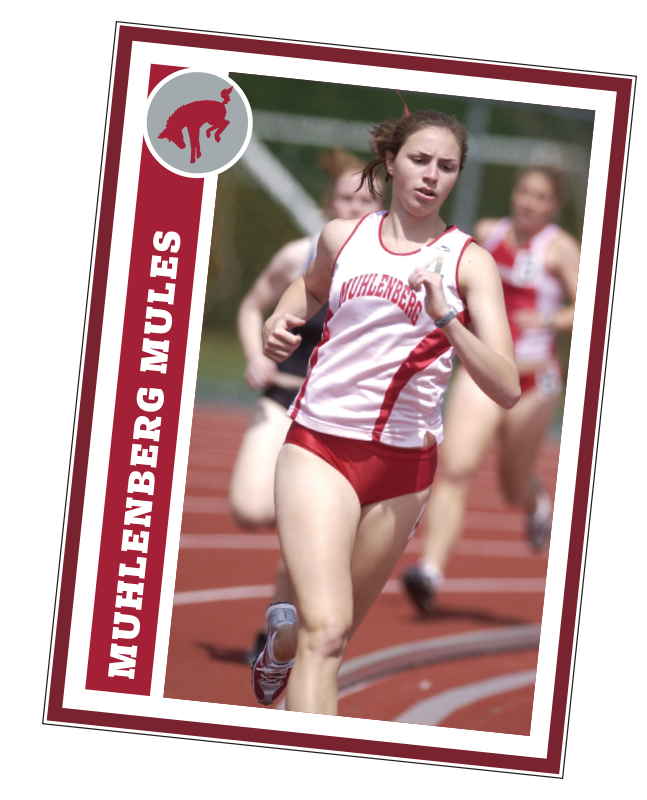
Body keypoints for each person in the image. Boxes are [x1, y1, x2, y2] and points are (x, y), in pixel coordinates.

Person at [250, 108, 521, 715]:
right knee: (324, 628)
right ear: (392, 161)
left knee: (335, 639)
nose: (431, 176)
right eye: (420, 160)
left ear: (458, 176)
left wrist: (448, 317)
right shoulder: (341, 238)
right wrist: (278, 319)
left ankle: (281, 649)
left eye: (446, 167)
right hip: (319, 446)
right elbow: (311, 288)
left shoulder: (468, 263)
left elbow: (506, 385)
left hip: (405, 468)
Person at [401, 166, 580, 613]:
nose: (528, 202)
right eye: (523, 190)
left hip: (534, 379)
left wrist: (549, 320)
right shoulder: (487, 232)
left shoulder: (559, 249)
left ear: (553, 206)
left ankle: (536, 500)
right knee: (457, 467)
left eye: (540, 197)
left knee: (511, 484)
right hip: (485, 369)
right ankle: (430, 570)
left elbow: (594, 305)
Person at [230, 150, 383, 664]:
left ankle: (277, 628)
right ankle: (301, 537)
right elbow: (254, 305)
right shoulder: (300, 255)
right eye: (346, 197)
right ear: (328, 201)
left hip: (334, 411)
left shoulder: (390, 267)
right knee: (252, 507)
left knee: (308, 519)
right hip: (284, 391)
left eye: (366, 200)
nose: (354, 206)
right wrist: (256, 353)